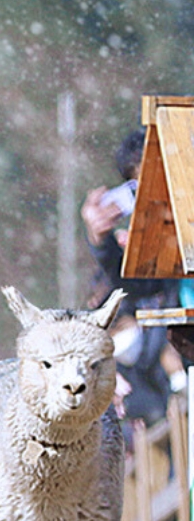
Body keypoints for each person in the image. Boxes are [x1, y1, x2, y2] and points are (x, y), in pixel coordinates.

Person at [82, 126, 176, 423]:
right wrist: (103, 242)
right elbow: (133, 287)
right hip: (162, 403)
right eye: (142, 191)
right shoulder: (144, 247)